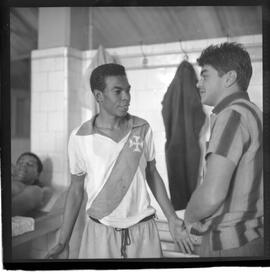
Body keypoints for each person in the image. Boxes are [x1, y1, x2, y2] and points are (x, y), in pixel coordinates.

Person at [46, 63, 193, 259]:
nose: (126, 97)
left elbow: (151, 173)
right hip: (99, 232)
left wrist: (172, 218)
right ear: (99, 96)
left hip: (143, 231)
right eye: (118, 91)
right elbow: (75, 190)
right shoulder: (80, 137)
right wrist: (63, 241)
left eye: (127, 90)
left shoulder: (142, 128)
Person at [184, 42, 263, 257]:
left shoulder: (232, 115)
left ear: (229, 78)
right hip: (253, 238)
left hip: (231, 244)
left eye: (205, 76)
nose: (199, 83)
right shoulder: (254, 113)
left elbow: (211, 195)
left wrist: (188, 218)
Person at [12, 152, 52, 216]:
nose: (23, 165)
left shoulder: (36, 191)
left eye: (30, 164)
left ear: (37, 175)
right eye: (20, 162)